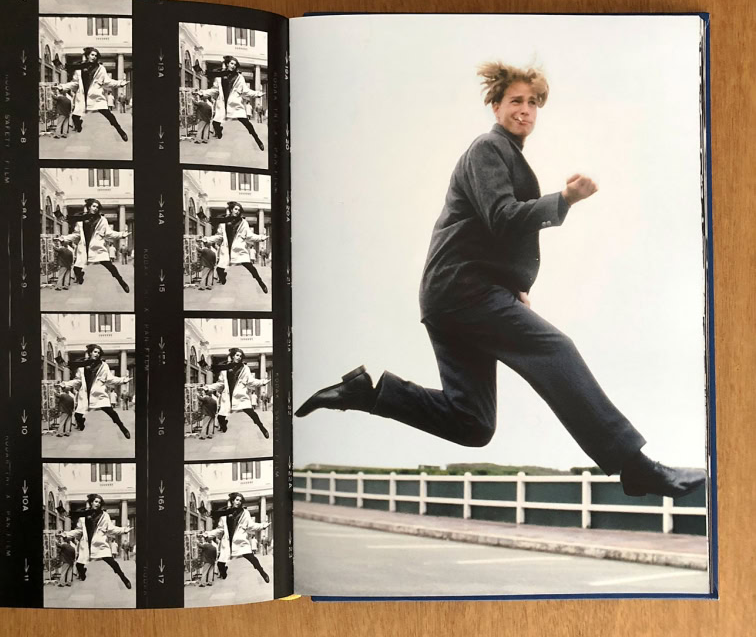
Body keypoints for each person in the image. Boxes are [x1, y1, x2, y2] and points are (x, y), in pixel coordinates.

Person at [294, 61, 707, 500]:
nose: (525, 110)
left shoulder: (507, 156)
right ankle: (636, 466)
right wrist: (564, 200)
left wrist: (512, 287)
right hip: (463, 292)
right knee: (556, 350)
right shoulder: (487, 150)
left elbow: (488, 232)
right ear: (495, 106)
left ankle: (369, 393)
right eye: (516, 101)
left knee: (472, 423)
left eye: (533, 103)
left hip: (452, 298)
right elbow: (502, 217)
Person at [59, 199, 131, 293]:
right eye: (93, 206)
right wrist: (64, 238)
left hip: (97, 248)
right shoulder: (81, 220)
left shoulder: (102, 220)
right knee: (76, 269)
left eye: (97, 207)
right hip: (84, 249)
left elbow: (109, 233)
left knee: (110, 266)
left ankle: (121, 281)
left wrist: (121, 235)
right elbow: (76, 235)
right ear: (89, 207)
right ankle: (80, 278)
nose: (95, 208)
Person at [60, 48, 130, 142]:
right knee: (74, 117)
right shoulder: (79, 68)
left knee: (109, 115)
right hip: (82, 97)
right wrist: (62, 86)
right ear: (88, 55)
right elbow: (75, 83)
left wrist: (120, 83)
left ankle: (120, 130)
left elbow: (107, 81)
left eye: (96, 55)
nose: (94, 57)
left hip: (96, 97)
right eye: (92, 55)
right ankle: (78, 125)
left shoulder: (100, 68)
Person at [63, 344, 132, 438]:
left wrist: (123, 380)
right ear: (90, 352)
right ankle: (81, 423)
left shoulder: (103, 366)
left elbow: (110, 378)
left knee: (112, 412)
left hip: (99, 394)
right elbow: (78, 381)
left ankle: (123, 428)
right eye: (95, 352)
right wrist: (65, 384)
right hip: (85, 395)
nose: (97, 354)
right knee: (77, 416)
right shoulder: (82, 366)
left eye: (99, 352)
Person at [66, 494, 133, 590]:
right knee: (78, 565)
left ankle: (124, 578)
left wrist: (124, 530)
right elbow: (79, 531)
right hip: (86, 544)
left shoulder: (104, 515)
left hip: (100, 544)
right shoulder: (83, 515)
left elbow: (111, 528)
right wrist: (66, 534)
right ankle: (83, 573)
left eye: (99, 502)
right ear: (91, 502)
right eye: (96, 501)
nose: (97, 504)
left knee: (112, 562)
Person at [198, 56, 265, 151]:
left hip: (235, 105)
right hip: (222, 105)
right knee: (215, 124)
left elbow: (246, 91)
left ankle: (258, 140)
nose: (233, 66)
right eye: (231, 63)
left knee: (247, 124)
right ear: (227, 64)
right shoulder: (220, 77)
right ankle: (219, 131)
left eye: (235, 64)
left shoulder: (239, 77)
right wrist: (202, 93)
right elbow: (214, 90)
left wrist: (258, 94)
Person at [204, 202, 269, 293]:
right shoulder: (223, 222)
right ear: (231, 209)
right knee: (219, 269)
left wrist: (261, 238)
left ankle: (261, 282)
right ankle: (223, 279)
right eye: (235, 209)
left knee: (250, 267)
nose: (237, 211)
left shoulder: (243, 222)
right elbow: (219, 236)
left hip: (239, 249)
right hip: (226, 250)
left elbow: (249, 236)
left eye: (239, 210)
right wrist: (207, 239)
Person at [204, 348, 270, 438]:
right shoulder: (225, 368)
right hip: (227, 397)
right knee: (220, 417)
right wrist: (208, 387)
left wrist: (262, 382)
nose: (239, 357)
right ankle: (224, 426)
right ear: (233, 356)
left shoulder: (245, 368)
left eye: (240, 356)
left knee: (252, 413)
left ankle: (262, 428)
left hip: (241, 396)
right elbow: (220, 384)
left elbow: (251, 381)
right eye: (237, 355)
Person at [206, 492, 271, 583]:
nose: (238, 502)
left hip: (240, 541)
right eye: (237, 500)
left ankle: (262, 572)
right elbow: (220, 529)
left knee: (252, 558)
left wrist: (263, 525)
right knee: (220, 564)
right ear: (232, 501)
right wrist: (208, 534)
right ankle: (224, 574)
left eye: (240, 500)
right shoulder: (224, 514)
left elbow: (251, 525)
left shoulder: (245, 513)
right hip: (228, 542)